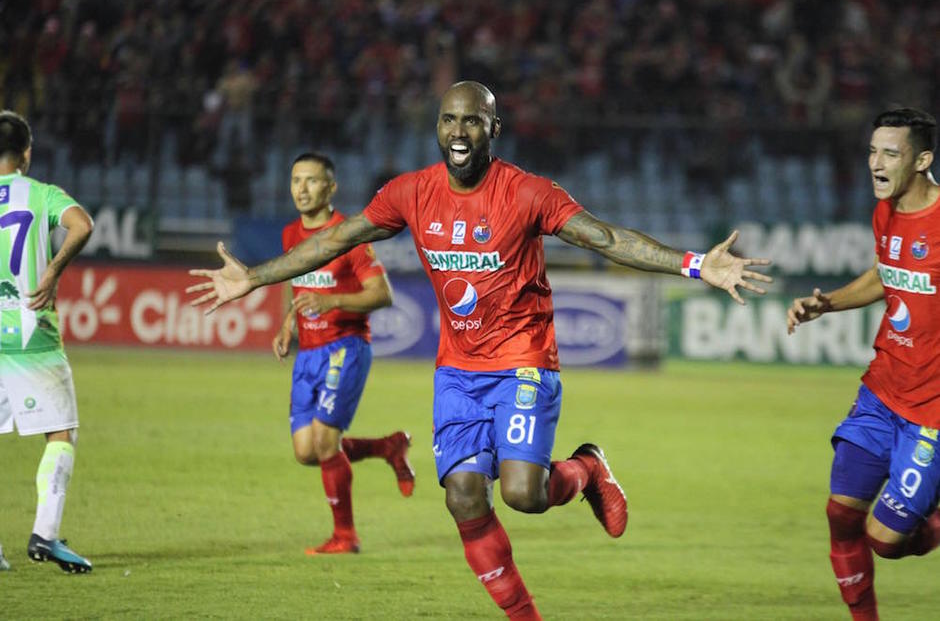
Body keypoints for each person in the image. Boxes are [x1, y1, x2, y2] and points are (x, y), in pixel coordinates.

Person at [189, 81, 772, 619]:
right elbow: (339, 237)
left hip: (524, 359)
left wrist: (696, 264)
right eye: (449, 120)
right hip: (458, 372)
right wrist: (255, 277)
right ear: (437, 128)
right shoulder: (411, 192)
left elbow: (606, 238)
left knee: (522, 493)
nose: (459, 131)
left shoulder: (527, 192)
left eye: (472, 120)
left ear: (494, 129)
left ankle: (588, 468)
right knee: (464, 498)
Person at [787, 107, 940, 621]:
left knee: (885, 540)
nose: (876, 163)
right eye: (873, 151)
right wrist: (826, 304)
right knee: (841, 514)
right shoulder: (885, 211)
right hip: (881, 391)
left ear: (922, 160)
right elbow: (884, 274)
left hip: (931, 411)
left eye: (890, 154)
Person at [272, 151, 415, 555]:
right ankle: (387, 447)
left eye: (312, 180)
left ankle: (345, 536)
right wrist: (287, 322)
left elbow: (382, 294)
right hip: (309, 353)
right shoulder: (290, 234)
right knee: (306, 452)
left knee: (324, 442)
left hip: (345, 348)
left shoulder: (349, 235)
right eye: (296, 180)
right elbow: (292, 281)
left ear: (331, 187)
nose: (302, 189)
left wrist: (332, 300)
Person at [0, 110, 94, 573]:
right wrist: (53, 269)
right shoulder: (41, 193)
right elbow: (83, 224)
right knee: (60, 431)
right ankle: (45, 535)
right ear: (27, 154)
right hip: (31, 331)